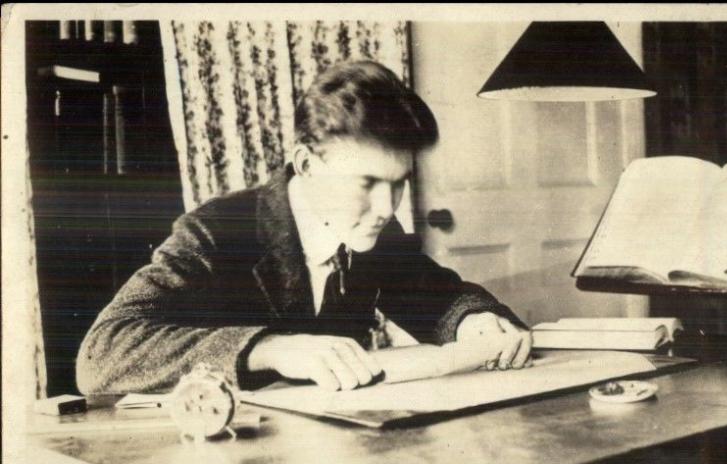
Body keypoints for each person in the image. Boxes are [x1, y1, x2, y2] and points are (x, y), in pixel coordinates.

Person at [76, 60, 533, 395]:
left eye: (398, 184)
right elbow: (100, 355)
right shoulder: (216, 232)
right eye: (367, 183)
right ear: (306, 165)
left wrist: (472, 319)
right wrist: (270, 348)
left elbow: (434, 295)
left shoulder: (371, 231)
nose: (384, 207)